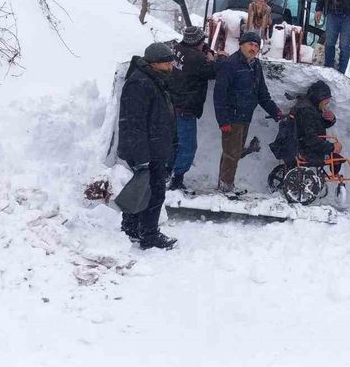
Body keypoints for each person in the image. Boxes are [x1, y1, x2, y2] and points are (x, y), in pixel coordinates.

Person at [116, 43, 178, 250]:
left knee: (143, 188)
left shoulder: (155, 80)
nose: (171, 66)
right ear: (154, 63)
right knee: (154, 191)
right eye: (167, 62)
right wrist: (141, 156)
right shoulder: (140, 84)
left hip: (155, 146)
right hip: (146, 149)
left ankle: (131, 227)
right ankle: (149, 235)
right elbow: (133, 123)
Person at [213, 31, 283, 196]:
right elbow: (219, 95)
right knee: (232, 153)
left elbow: (262, 94)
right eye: (250, 44)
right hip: (232, 118)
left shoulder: (256, 66)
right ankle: (226, 188)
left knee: (233, 152)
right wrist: (223, 120)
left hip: (245, 117)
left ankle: (225, 184)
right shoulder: (230, 65)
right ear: (241, 45)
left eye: (256, 45)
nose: (253, 48)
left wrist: (276, 112)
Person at [168, 26, 219, 191]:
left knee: (172, 142)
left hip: (172, 103)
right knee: (188, 146)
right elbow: (214, 71)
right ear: (197, 42)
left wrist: (206, 50)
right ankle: (177, 179)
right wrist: (217, 58)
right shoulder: (196, 59)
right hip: (186, 108)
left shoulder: (176, 49)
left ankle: (166, 172)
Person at [294, 80, 341, 166]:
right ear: (319, 98)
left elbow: (317, 125)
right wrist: (331, 147)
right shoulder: (306, 111)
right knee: (339, 159)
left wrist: (331, 119)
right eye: (326, 99)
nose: (328, 101)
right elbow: (309, 139)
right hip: (305, 151)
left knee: (337, 158)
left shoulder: (312, 108)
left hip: (308, 147)